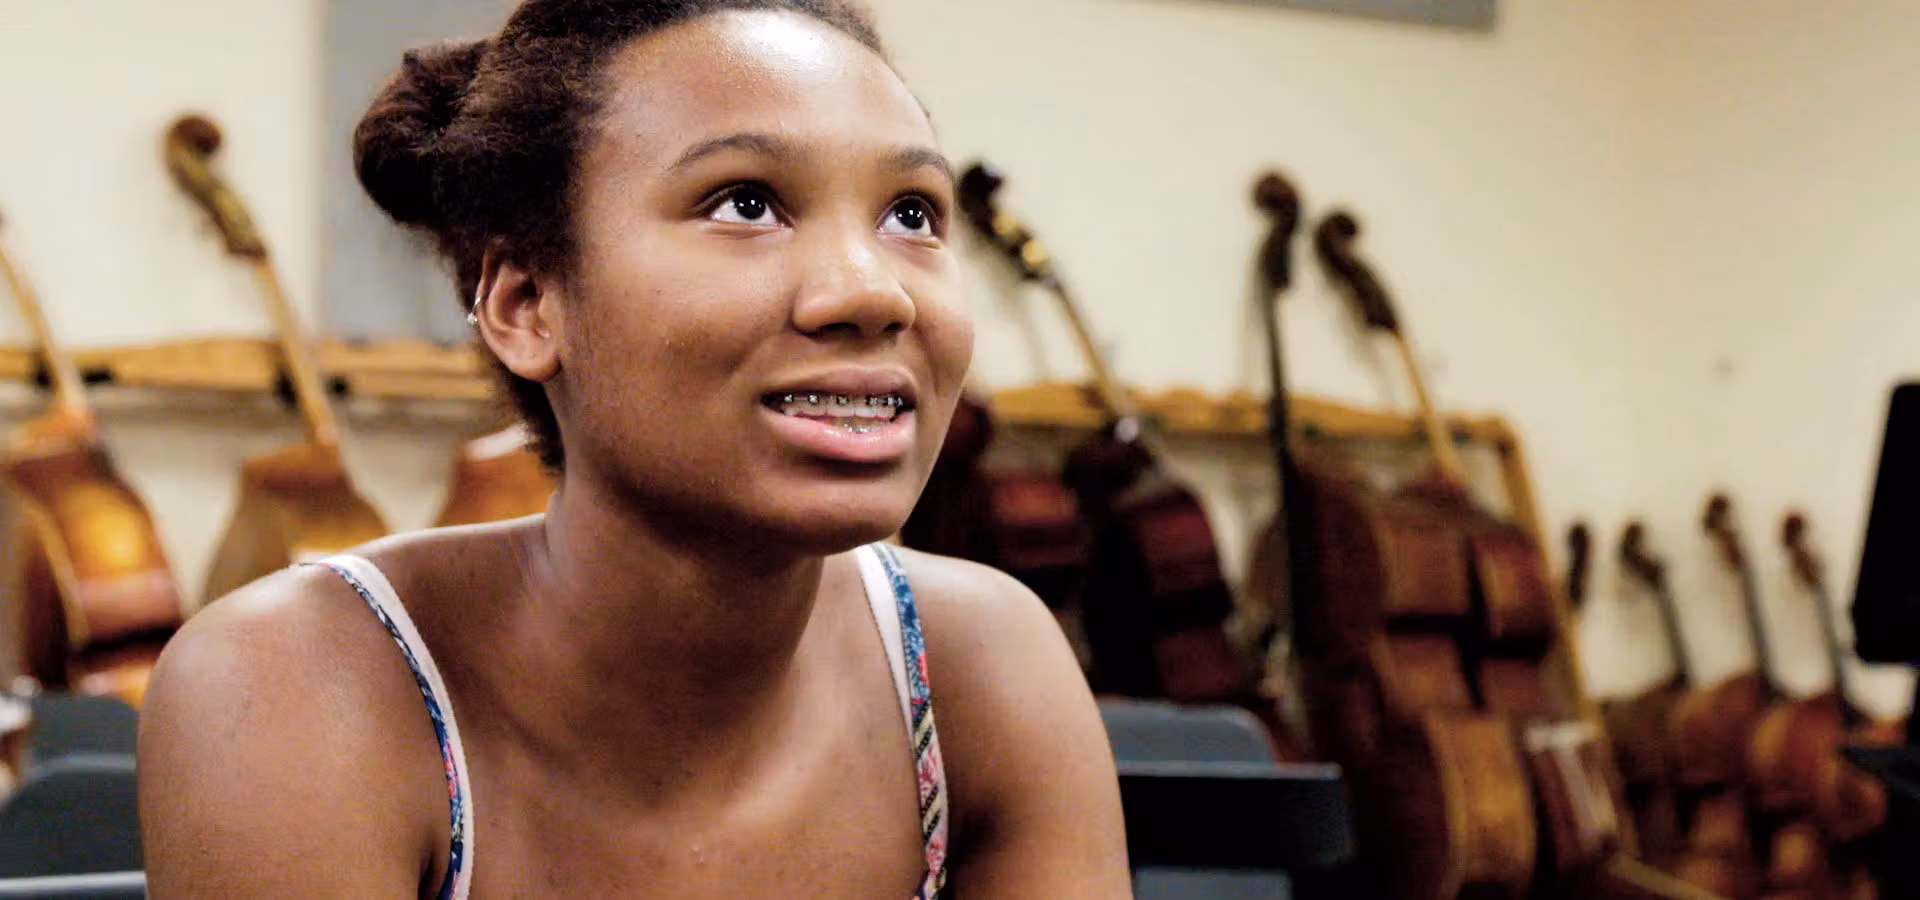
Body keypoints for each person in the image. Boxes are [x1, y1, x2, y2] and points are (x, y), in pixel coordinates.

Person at [135, 1, 1131, 896]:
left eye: (910, 214)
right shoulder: (297, 686)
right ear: (528, 304)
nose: (875, 291)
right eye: (746, 203)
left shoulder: (981, 668)